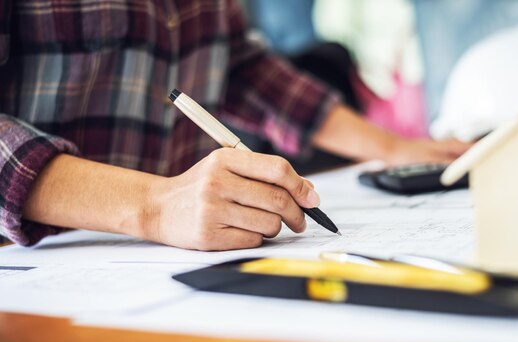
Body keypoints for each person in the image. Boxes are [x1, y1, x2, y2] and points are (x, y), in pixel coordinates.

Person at [0, 0, 469, 251]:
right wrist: (157, 206)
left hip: (169, 259)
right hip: (31, 265)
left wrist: (393, 148)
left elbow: (244, 68)